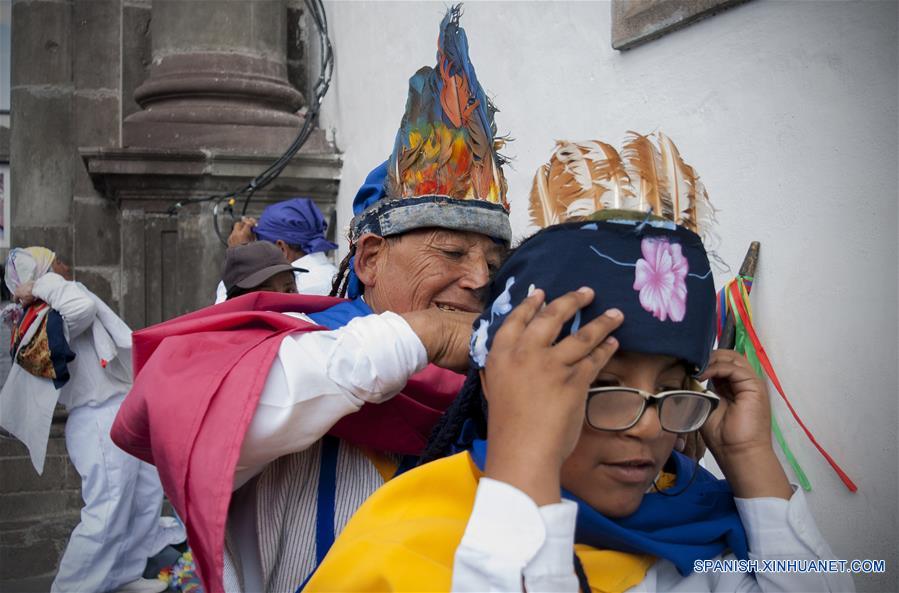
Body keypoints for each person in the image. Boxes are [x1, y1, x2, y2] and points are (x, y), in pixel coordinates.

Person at [300, 135, 855, 593]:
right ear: (506, 386)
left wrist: (751, 457)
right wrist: (527, 467)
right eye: (604, 384)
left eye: (670, 391)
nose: (646, 425)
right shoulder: (413, 536)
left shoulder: (700, 518)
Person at [111, 7, 512, 593]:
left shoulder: (498, 383)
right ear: (370, 260)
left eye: (495, 264)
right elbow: (190, 415)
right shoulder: (295, 351)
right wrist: (418, 336)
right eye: (451, 253)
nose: (479, 278)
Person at [0, 247, 185, 593]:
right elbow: (81, 308)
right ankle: (71, 588)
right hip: (98, 418)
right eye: (54, 261)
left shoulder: (54, 304)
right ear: (41, 274)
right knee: (108, 511)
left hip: (120, 408)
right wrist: (41, 285)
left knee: (144, 495)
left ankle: (125, 574)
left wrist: (43, 284)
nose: (64, 263)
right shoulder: (51, 311)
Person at [214, 198, 338, 302]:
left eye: (262, 246)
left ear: (281, 248)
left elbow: (225, 316)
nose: (256, 251)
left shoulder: (304, 285)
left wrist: (240, 256)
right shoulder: (333, 274)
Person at [220, 241, 306, 300]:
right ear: (234, 300)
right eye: (267, 295)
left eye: (290, 290)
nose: (284, 300)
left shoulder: (311, 322)